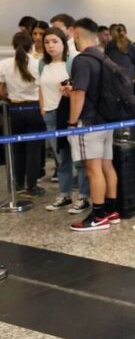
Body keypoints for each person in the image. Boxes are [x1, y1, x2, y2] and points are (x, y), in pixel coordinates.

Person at [64, 18, 121, 231]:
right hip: (106, 121)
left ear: (77, 34)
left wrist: (71, 123)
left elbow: (79, 94)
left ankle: (97, 216)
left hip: (88, 122)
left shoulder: (82, 60)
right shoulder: (102, 56)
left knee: (92, 168)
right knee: (107, 165)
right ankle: (111, 211)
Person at [39, 26, 91, 213]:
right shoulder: (42, 64)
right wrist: (43, 109)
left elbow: (80, 89)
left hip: (69, 114)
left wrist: (69, 92)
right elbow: (40, 86)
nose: (50, 46)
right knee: (61, 159)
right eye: (47, 42)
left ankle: (84, 196)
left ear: (63, 43)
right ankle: (64, 193)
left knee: (78, 158)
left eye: (55, 41)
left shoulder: (73, 61)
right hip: (51, 115)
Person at [0, 32, 46, 196]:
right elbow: (43, 88)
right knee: (34, 149)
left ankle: (18, 184)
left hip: (14, 110)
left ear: (13, 45)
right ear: (31, 45)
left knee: (17, 148)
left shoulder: (4, 64)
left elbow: (1, 91)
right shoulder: (38, 63)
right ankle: (32, 186)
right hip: (34, 108)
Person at [105, 23, 135, 96]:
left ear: (113, 34)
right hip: (128, 81)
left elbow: (106, 62)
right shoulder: (132, 46)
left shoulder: (109, 46)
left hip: (113, 81)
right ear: (126, 32)